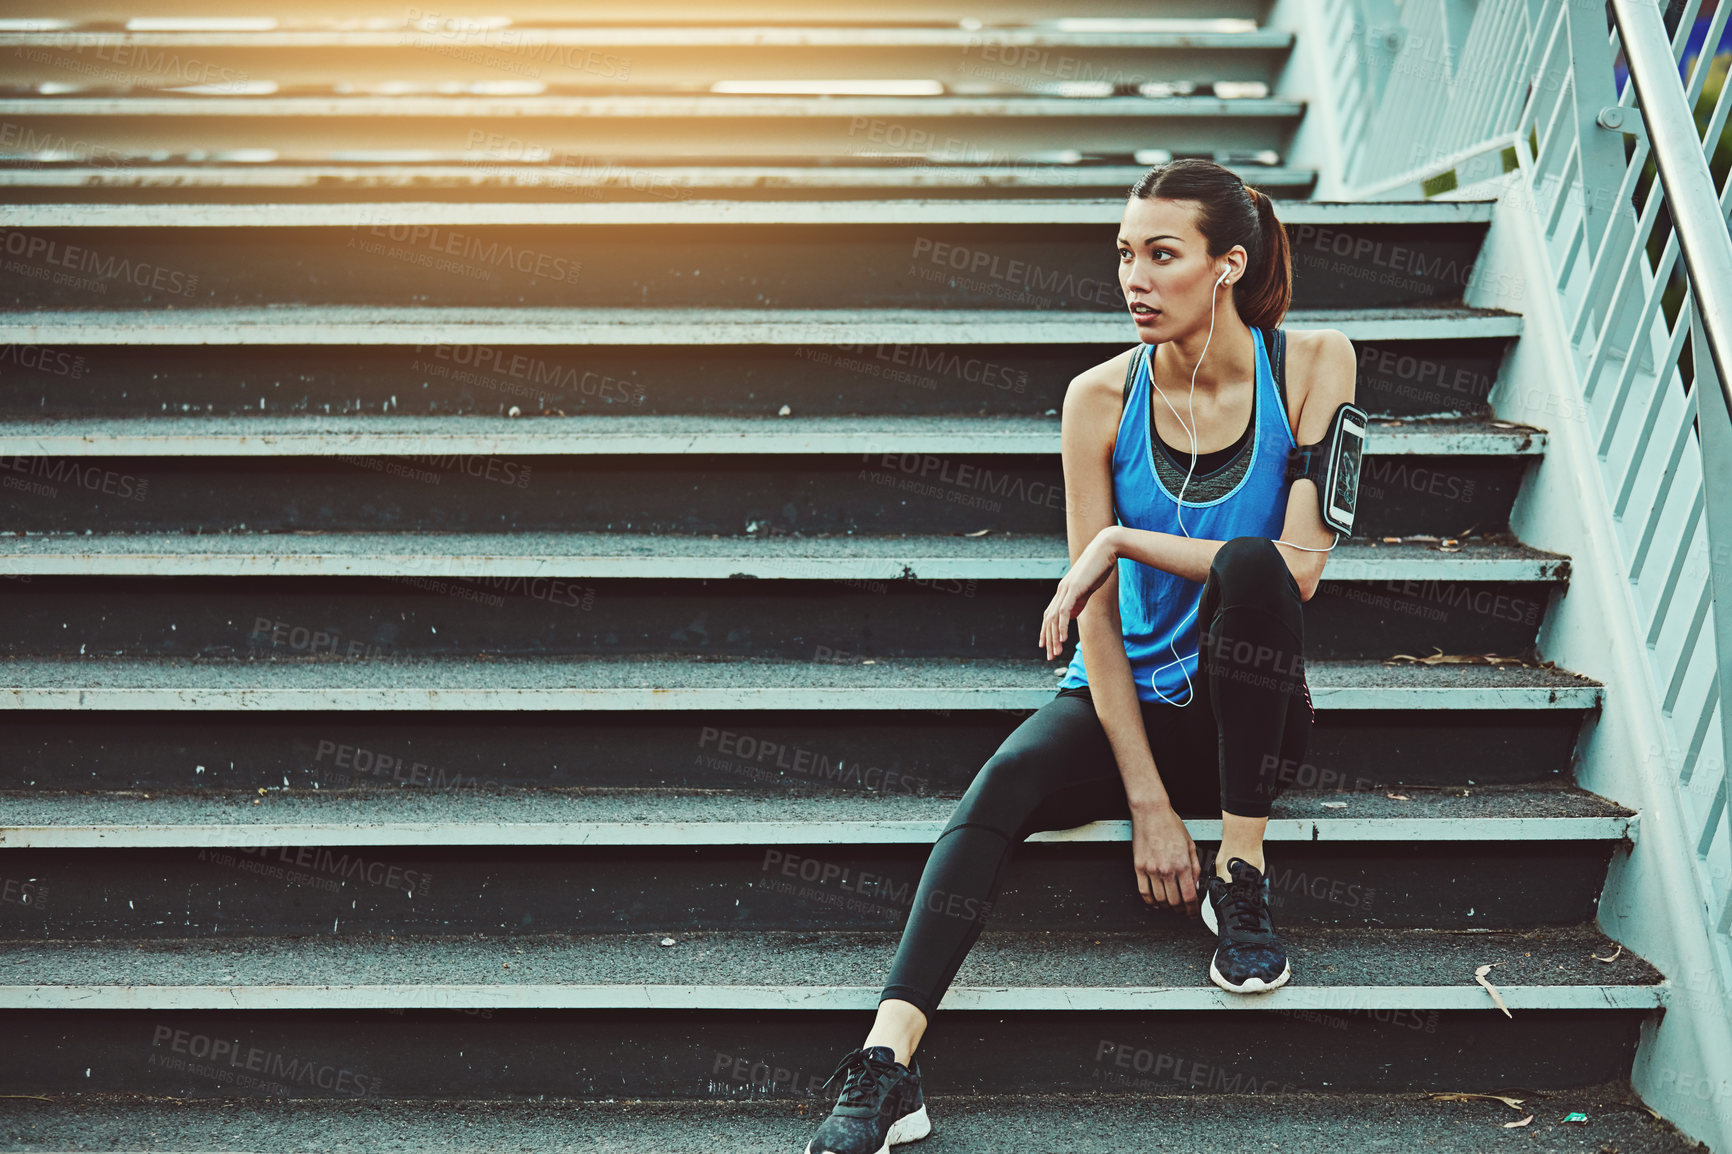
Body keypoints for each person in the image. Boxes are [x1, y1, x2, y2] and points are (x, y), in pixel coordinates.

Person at [801, 158, 1358, 1154]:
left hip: (1255, 713)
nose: (1133, 279)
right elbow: (1095, 620)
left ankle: (1242, 867)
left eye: (1160, 254)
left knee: (1253, 571)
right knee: (1004, 778)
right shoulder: (1096, 398)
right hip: (1126, 702)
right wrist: (1144, 798)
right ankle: (887, 1061)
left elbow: (1300, 566)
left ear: (1226, 265)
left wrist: (1120, 540)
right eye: (1122, 256)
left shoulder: (1312, 364)